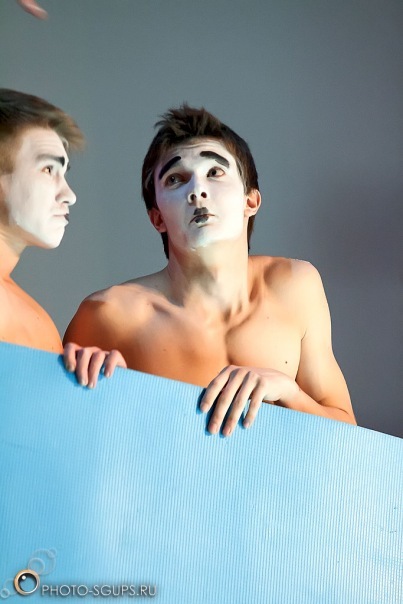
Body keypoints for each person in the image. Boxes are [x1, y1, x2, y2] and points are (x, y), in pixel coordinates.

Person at [64, 105, 356, 435]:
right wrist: (96, 398)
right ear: (157, 218)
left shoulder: (295, 287)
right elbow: (60, 436)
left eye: (215, 172)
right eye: (176, 179)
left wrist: (290, 392)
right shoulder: (108, 315)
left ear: (250, 201)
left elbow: (350, 435)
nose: (197, 191)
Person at [0, 88, 125, 378]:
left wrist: (95, 383)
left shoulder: (37, 319)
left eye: (64, 173)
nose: (69, 195)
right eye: (48, 170)